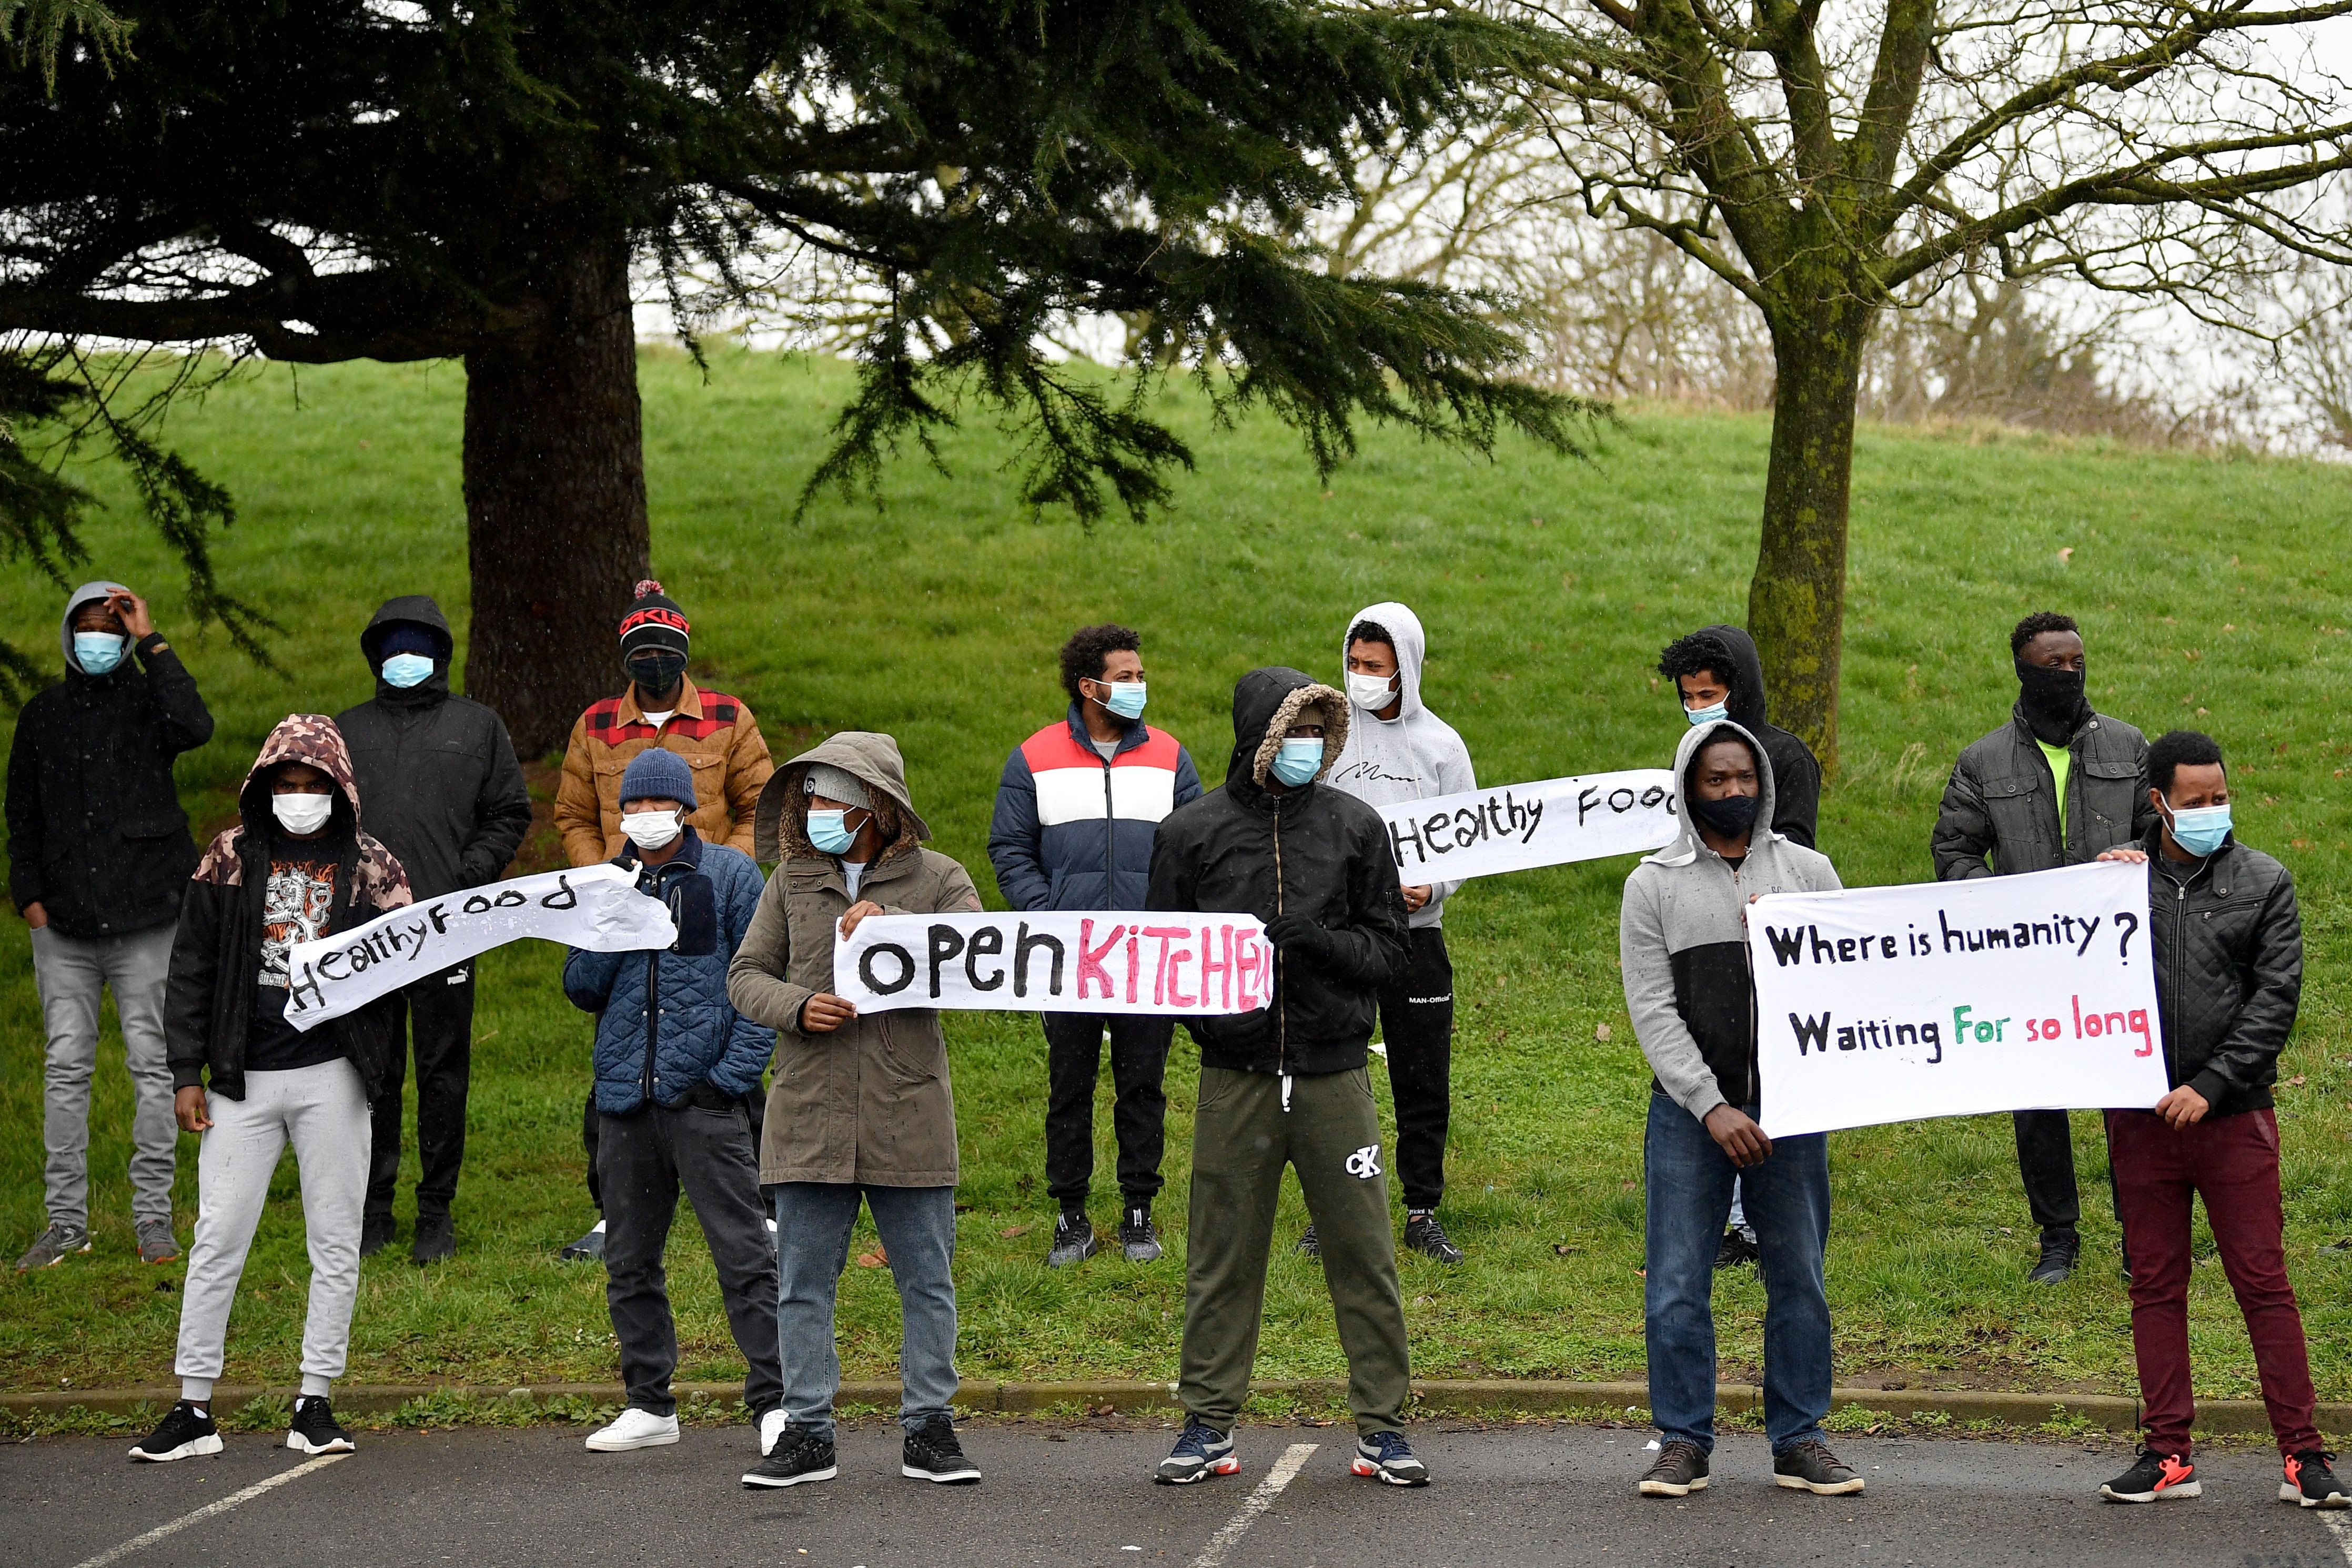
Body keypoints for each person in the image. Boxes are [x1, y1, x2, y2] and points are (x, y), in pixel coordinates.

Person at [1146, 669, 1426, 1489]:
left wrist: (1319, 942)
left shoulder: (1355, 827)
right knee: (1221, 1253)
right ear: (1257, 736)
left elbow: (1390, 951)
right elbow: (1159, 963)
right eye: (1292, 730)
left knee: (1363, 1250)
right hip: (1235, 1079)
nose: (1306, 745)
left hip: (1335, 1075)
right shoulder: (1188, 835)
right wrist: (1212, 1028)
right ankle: (1205, 1423)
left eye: (1317, 729)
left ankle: (1382, 1426)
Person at [129, 717, 412, 1463]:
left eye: (313, 785)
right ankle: (193, 1405)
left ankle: (315, 1400)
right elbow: (190, 966)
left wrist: (378, 1066)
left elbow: (402, 971)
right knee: (217, 1237)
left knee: (334, 1240)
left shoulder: (371, 865)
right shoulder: (228, 856)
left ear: (339, 788)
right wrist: (186, 1072)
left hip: (333, 1076)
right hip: (240, 1078)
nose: (299, 797)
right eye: (285, 785)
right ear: (264, 786)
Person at [2091, 732, 2346, 1509]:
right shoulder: (2110, 883)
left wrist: (2209, 1083)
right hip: (2138, 1121)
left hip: (2231, 1118)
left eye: (2219, 797)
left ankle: (2303, 1456)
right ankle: (2166, 1452)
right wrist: (2087, 887)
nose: (2211, 811)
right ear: (2156, 801)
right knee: (2154, 1285)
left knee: (2261, 1282)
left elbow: (2274, 1001)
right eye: (2194, 800)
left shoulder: (2263, 881)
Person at [728, 734, 986, 1491]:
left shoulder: (940, 878)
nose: (815, 812)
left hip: (908, 1111)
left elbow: (979, 960)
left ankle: (929, 1431)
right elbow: (744, 976)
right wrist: (798, 1006)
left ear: (875, 807)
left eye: (831, 799)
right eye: (808, 798)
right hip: (808, 1111)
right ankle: (806, 1433)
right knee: (801, 1282)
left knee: (926, 1280)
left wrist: (899, 932)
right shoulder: (789, 883)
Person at [1622, 718, 1860, 1501]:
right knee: (1678, 1282)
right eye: (1714, 781)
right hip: (1690, 1117)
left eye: (1743, 779)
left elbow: (1851, 984)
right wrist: (1710, 1105)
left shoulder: (1809, 873)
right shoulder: (1650, 885)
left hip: (1791, 1113)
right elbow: (1653, 1012)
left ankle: (1799, 1439)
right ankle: (1681, 1440)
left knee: (1798, 1276)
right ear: (1688, 788)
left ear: (1762, 783)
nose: (1731, 792)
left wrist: (1781, 936)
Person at [563, 749, 783, 1459]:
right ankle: (648, 1402)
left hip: (708, 1103)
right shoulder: (606, 882)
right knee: (629, 1259)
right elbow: (581, 985)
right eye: (632, 806)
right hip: (626, 1100)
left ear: (685, 807)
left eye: (656, 804)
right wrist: (615, 911)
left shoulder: (728, 874)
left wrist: (728, 1078)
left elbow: (762, 984)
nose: (643, 817)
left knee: (745, 1254)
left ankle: (776, 1402)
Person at [553, 579, 774, 1262]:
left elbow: (761, 803)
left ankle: (763, 1205)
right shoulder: (594, 725)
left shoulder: (727, 715)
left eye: (664, 649)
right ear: (626, 657)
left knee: (729, 1032)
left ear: (681, 652)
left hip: (709, 898)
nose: (652, 661)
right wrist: (607, 882)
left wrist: (717, 873)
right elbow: (572, 814)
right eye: (640, 651)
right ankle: (611, 1210)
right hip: (627, 902)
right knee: (621, 1047)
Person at [1932, 610, 2151, 1284]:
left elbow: (2160, 832)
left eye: (2076, 660)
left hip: (2114, 955)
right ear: (2023, 669)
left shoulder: (2129, 746)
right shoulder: (1983, 759)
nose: (2068, 671)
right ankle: (2057, 1236)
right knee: (2036, 1101)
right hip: (2027, 962)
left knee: (2131, 1098)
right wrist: (2006, 906)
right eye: (2052, 662)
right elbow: (1954, 849)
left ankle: (2139, 1235)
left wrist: (2135, 856)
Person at [9, 582, 213, 1272]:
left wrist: (152, 639)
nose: (100, 635)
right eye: (88, 625)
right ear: (69, 635)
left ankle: (153, 1216)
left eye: (112, 625)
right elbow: (22, 815)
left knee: (154, 1067)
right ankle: (65, 1223)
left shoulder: (149, 702)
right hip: (63, 926)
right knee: (66, 1067)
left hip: (148, 917)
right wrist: (31, 898)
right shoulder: (42, 716)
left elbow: (197, 725)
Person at [987, 623, 1202, 1268]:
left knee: (1144, 1086)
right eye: (1127, 676)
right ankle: (1070, 1213)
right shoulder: (1033, 757)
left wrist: (1168, 916)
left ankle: (1139, 1210)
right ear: (1089, 686)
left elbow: (1195, 849)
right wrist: (1048, 915)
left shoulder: (1170, 756)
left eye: (1141, 675)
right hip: (1068, 960)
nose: (1140, 686)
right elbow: (1010, 849)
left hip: (1146, 959)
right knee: (1069, 1087)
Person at [336, 595, 532, 1264]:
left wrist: (466, 871)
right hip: (367, 929)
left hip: (448, 925)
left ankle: (436, 1210)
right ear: (375, 654)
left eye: (419, 644)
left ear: (442, 653)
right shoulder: (346, 730)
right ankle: (373, 1207)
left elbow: (509, 810)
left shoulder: (477, 726)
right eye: (393, 644)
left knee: (444, 1069)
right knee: (373, 1069)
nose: (405, 657)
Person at [1655, 625, 1824, 1271]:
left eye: (1713, 692)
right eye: (1690, 695)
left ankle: (1761, 1219)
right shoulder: (1690, 754)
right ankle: (1724, 1219)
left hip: (1775, 949)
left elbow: (1800, 848)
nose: (1701, 704)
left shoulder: (1788, 756)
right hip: (1708, 947)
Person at [1321, 602, 1475, 1265]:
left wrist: (1433, 887)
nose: (1362, 677)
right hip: (1343, 938)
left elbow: (1469, 839)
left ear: (1405, 669)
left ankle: (1422, 1207)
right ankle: (1332, 1205)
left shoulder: (1443, 746)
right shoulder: (1327, 737)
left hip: (1417, 936)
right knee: (1333, 1070)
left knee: (1421, 1073)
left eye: (1376, 667)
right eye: (1354, 664)